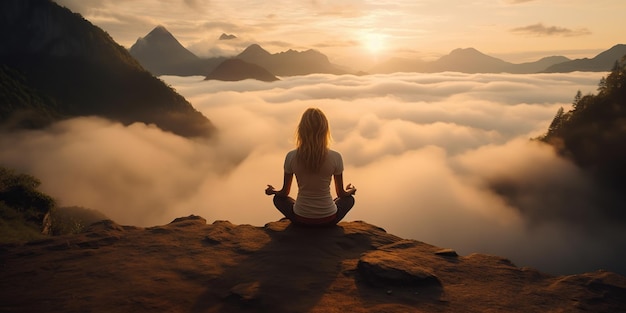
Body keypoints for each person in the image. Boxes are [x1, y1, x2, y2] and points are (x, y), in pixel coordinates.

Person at [265, 108, 357, 227]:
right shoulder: (336, 157)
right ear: (325, 131)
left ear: (301, 130)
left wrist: (272, 191)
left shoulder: (291, 156)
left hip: (301, 218)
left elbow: (284, 192)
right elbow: (341, 194)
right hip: (328, 219)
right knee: (349, 200)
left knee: (278, 199)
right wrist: (352, 190)